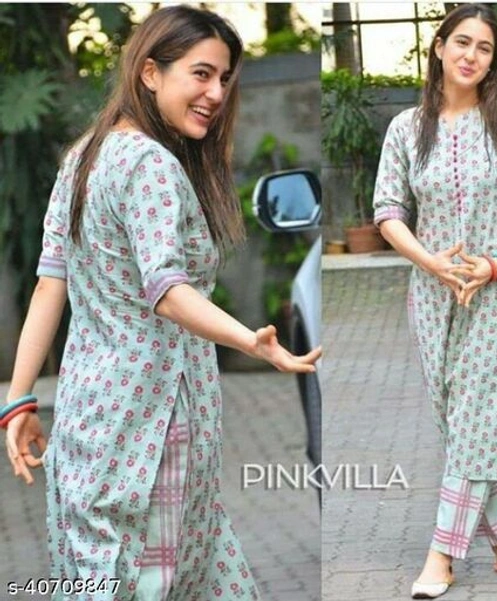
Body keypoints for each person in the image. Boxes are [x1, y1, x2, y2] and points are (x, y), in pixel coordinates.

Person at [2, 6, 320, 601]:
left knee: (112, 576)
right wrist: (251, 342)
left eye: (224, 78)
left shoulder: (84, 156)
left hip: (89, 420)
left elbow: (50, 284)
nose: (216, 93)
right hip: (154, 425)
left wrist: (18, 401)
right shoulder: (150, 163)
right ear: (150, 72)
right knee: (158, 581)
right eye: (201, 73)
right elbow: (168, 291)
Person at [372, 4, 497, 599]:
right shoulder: (406, 128)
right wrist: (430, 261)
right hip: (432, 296)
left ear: (493, 60)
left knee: (478, 419)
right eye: (462, 42)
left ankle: (441, 555)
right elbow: (388, 211)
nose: (471, 55)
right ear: (439, 47)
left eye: (484, 48)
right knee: (464, 425)